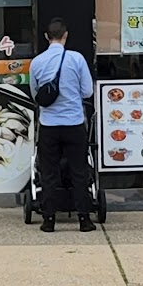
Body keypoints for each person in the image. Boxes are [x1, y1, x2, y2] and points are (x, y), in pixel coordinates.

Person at [31, 17, 96, 233]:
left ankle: (49, 219)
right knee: (79, 171)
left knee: (49, 172)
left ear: (46, 37)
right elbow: (87, 92)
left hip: (49, 125)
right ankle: (84, 219)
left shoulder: (37, 62)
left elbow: (35, 95)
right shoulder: (76, 59)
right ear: (66, 35)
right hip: (74, 123)